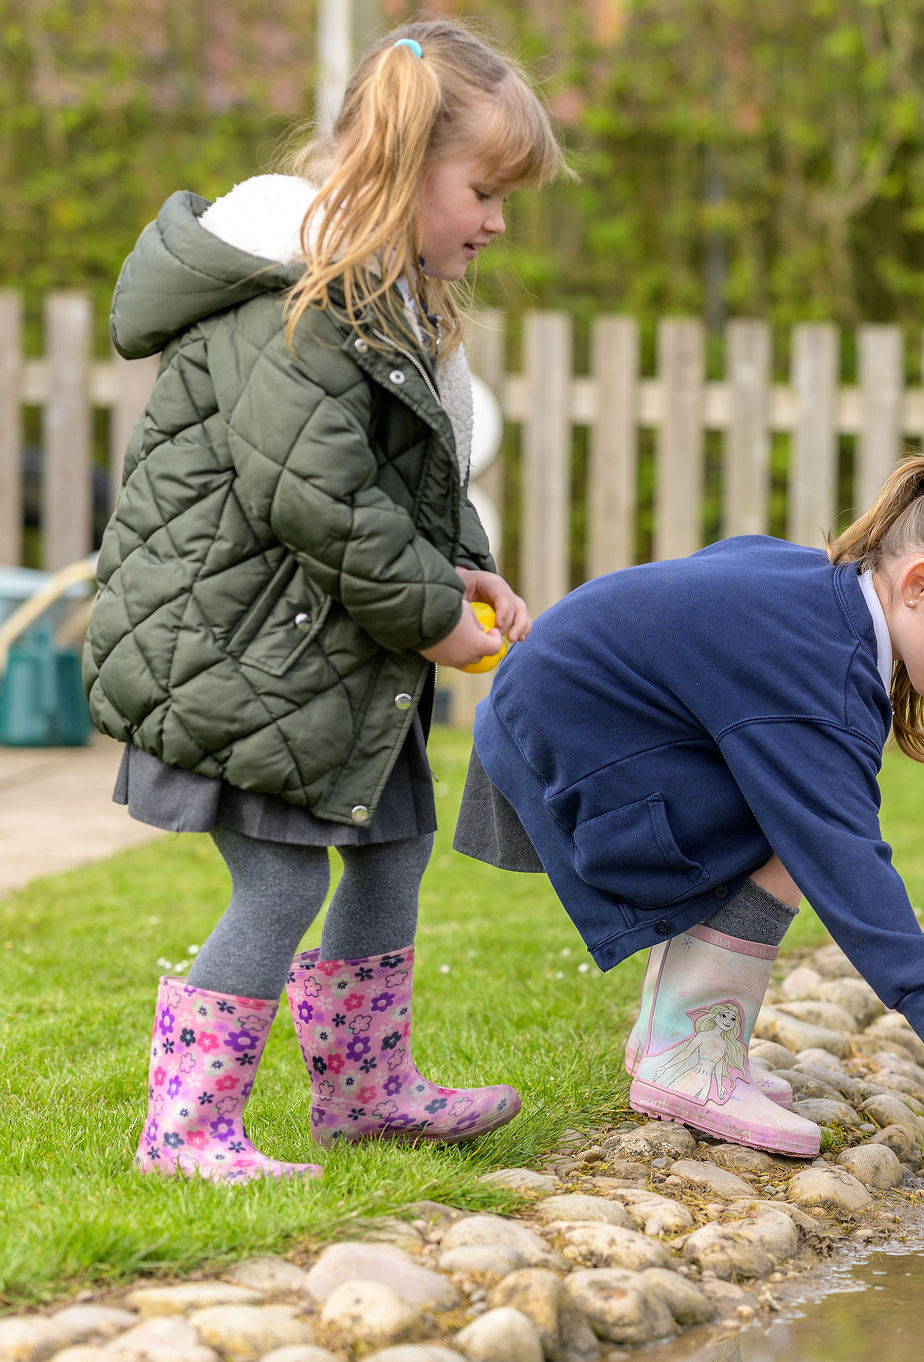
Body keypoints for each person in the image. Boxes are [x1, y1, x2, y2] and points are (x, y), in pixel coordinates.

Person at [84, 20, 565, 1180]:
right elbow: (322, 502)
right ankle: (185, 1132)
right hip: (241, 648)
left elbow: (413, 471)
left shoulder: (385, 305)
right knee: (284, 874)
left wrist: (466, 563)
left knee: (392, 851)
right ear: (403, 168)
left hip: (320, 653)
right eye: (484, 190)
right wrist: (435, 620)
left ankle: (367, 1093)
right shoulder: (286, 305)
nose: (498, 221)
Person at [455, 458, 924, 1157]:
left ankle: (686, 1041)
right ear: (918, 583)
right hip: (563, 749)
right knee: (801, 831)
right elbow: (840, 851)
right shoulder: (819, 664)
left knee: (793, 819)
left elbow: (724, 568)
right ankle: (688, 1060)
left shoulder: (820, 595)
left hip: (551, 722)